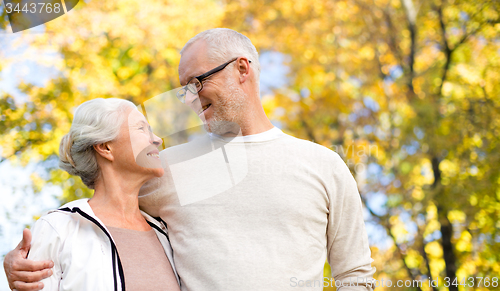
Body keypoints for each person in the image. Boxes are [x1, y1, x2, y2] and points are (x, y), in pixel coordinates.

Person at [4, 28, 375, 290]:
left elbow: (355, 275)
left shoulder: (323, 165)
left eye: (197, 82)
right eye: (184, 89)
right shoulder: (164, 168)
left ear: (242, 69)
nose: (189, 98)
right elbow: (97, 215)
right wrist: (22, 262)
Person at [5, 98, 181, 291]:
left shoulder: (165, 233)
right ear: (105, 147)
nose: (157, 139)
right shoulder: (59, 229)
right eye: (141, 129)